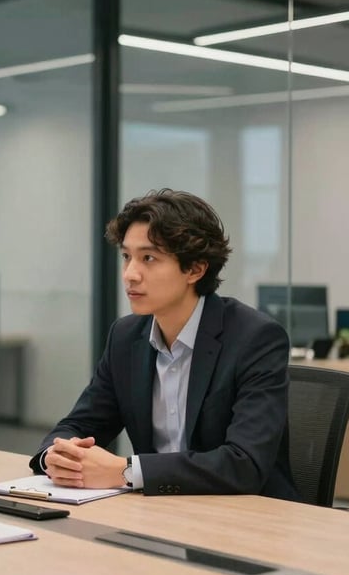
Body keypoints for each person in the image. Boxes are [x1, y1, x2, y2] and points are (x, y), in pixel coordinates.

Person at [30, 188, 298, 500]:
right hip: (162, 514)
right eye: (127, 257)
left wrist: (125, 471)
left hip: (250, 521)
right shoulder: (126, 336)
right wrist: (55, 457)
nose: (130, 275)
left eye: (149, 258)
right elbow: (80, 424)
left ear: (195, 269)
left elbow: (244, 464)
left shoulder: (255, 338)